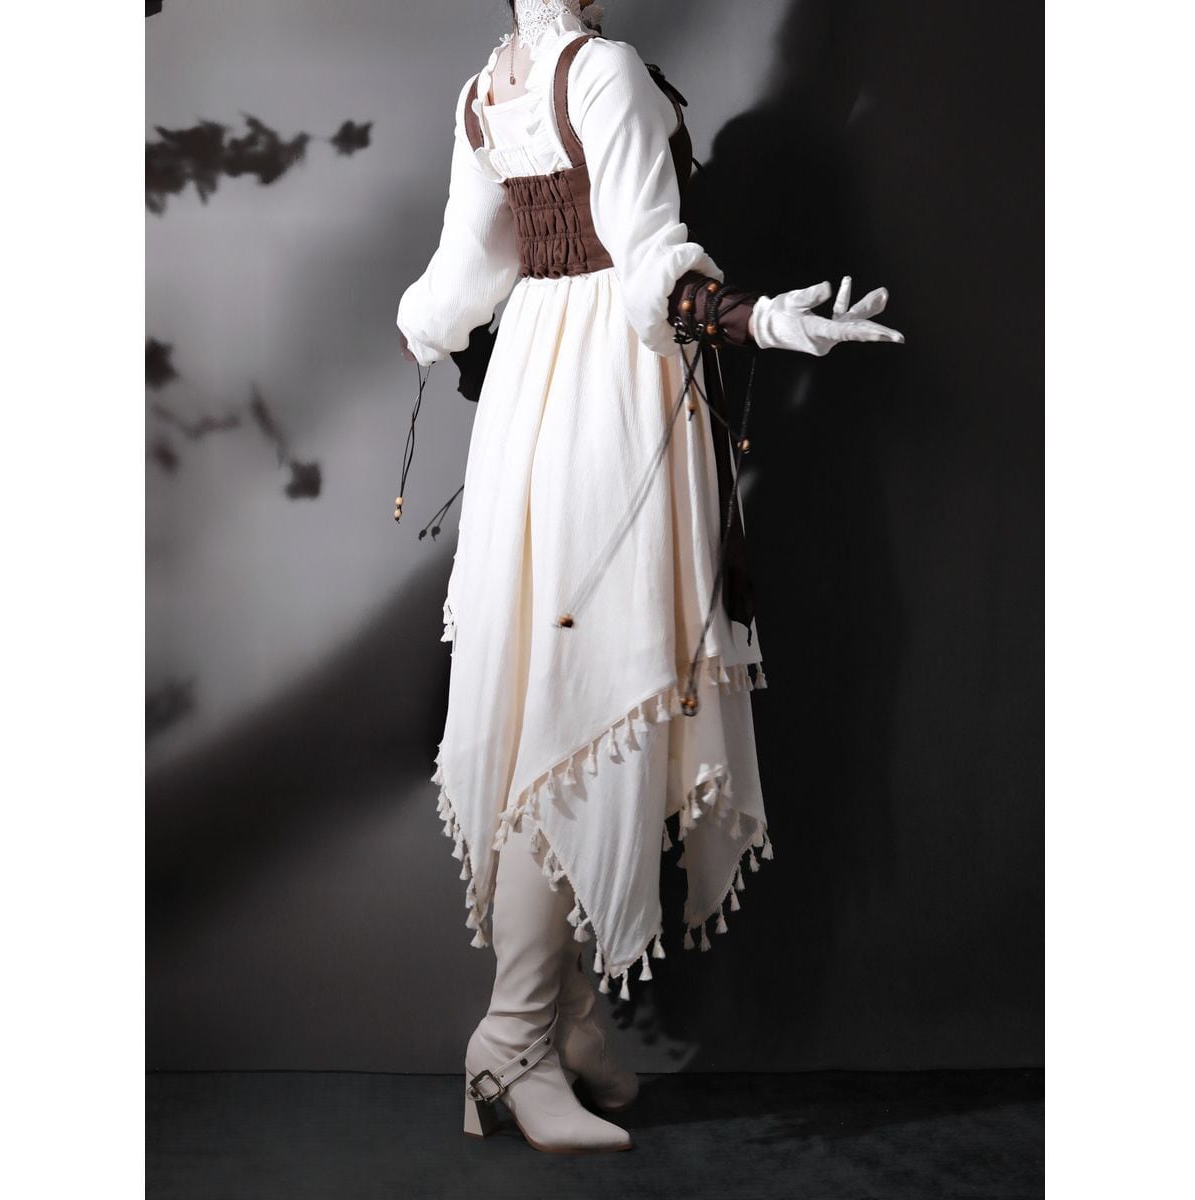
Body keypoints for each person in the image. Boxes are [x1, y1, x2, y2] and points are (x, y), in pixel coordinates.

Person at [396, 0, 903, 1154]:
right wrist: (761, 322)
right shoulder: (606, 69)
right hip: (609, 396)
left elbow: (463, 281)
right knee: (576, 709)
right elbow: (646, 274)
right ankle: (511, 1042)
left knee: (557, 698)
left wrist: (422, 325)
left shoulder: (487, 88)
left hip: (531, 401)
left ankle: (568, 1020)